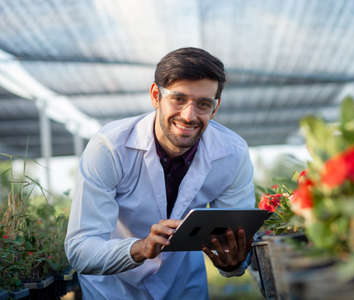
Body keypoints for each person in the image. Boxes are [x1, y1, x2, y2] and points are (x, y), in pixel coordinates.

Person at [65, 47, 255, 299]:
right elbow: (80, 249)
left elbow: (236, 247)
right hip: (113, 288)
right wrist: (141, 248)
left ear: (215, 108)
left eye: (203, 104)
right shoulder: (110, 147)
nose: (189, 115)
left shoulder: (233, 154)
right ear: (156, 96)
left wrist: (232, 262)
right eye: (178, 99)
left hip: (183, 286)